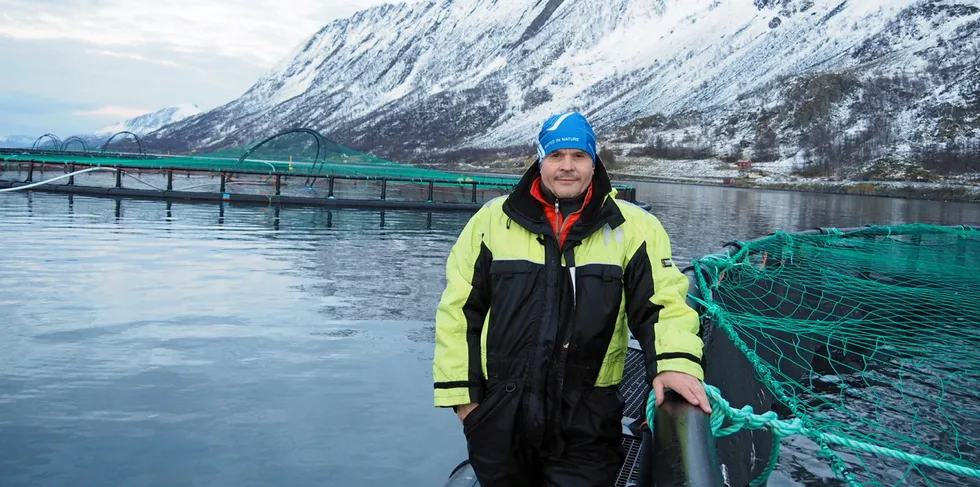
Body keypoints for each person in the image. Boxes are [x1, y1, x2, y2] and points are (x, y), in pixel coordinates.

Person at [432, 111, 711, 487]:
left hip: (588, 416)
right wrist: (466, 404)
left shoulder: (635, 228)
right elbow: (458, 313)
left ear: (593, 162)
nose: (567, 167)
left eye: (579, 156)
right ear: (540, 160)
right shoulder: (491, 222)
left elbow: (664, 305)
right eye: (556, 156)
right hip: (501, 412)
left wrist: (674, 364)